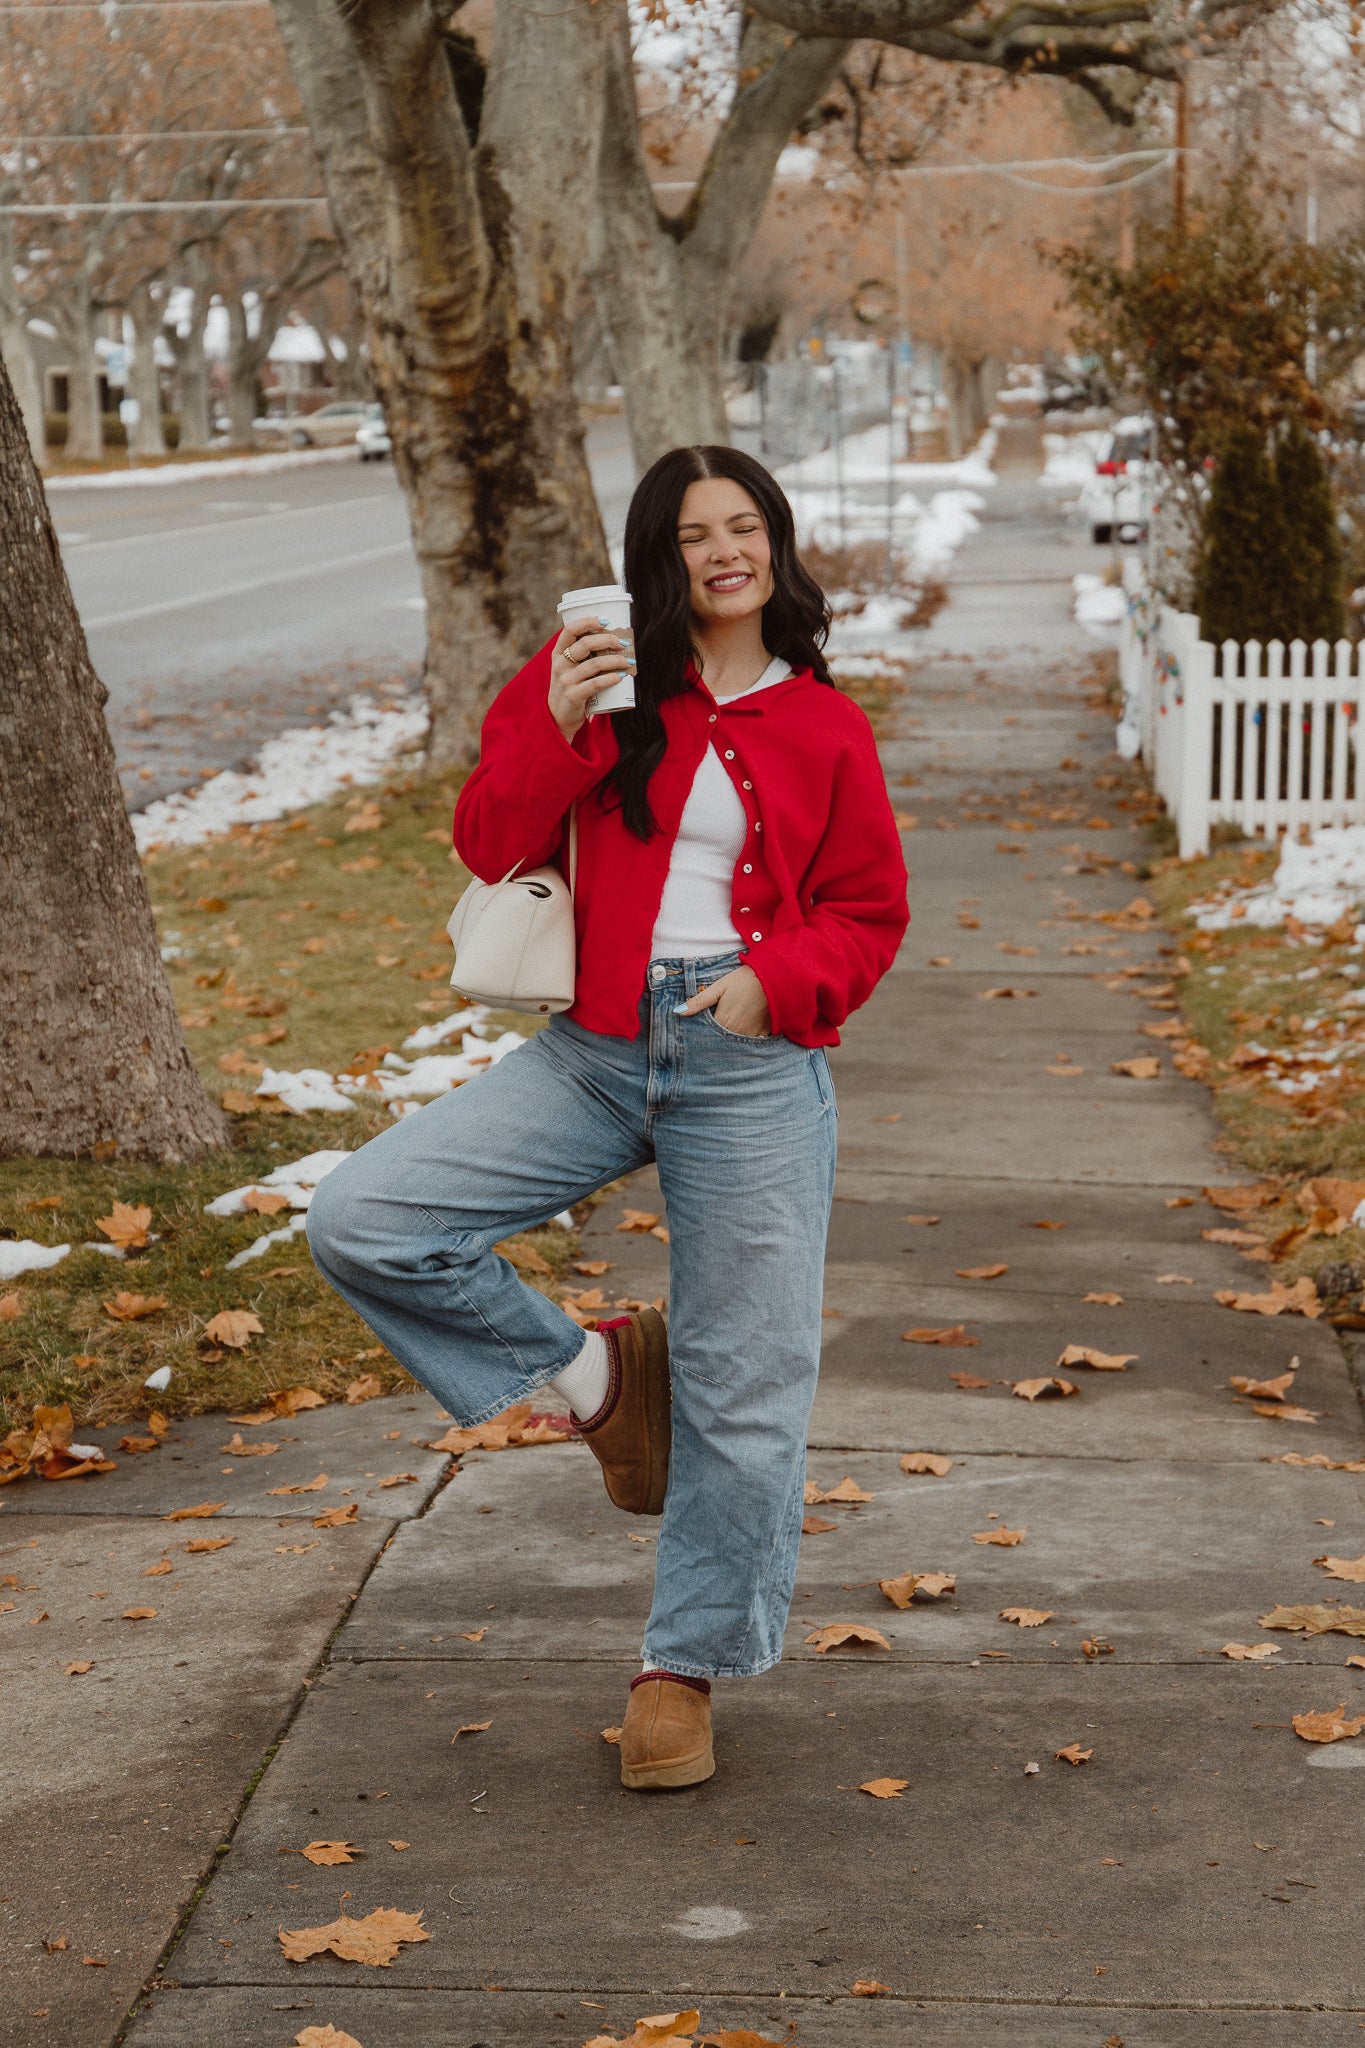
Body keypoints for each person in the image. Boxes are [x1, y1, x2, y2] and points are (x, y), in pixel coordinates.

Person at [306, 444, 909, 1792]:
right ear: (661, 557)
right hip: (590, 1046)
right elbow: (487, 842)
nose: (721, 552)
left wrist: (775, 985)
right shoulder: (592, 674)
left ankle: (677, 1673)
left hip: (746, 1056)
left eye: (742, 526)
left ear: (775, 545)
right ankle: (600, 1384)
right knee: (364, 1219)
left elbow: (867, 912)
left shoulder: (823, 725)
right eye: (693, 533)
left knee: (748, 1390)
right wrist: (559, 726)